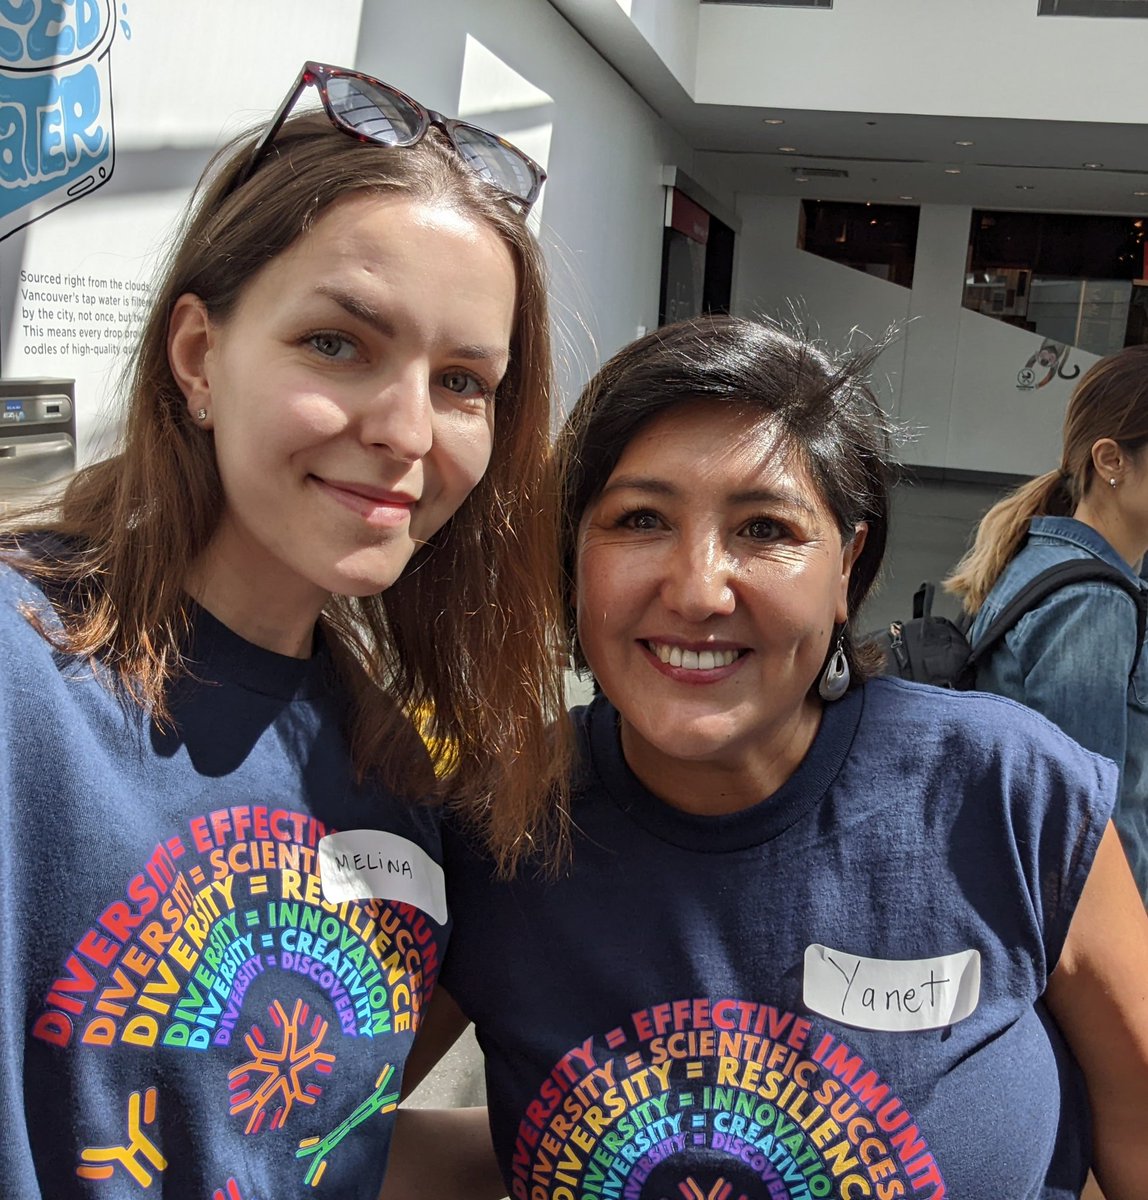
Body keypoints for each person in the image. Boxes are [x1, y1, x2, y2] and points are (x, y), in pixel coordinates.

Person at [0, 63, 570, 1199]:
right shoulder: (24, 675)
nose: (408, 430)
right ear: (200, 357)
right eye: (337, 345)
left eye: (462, 380)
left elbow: (301, 1145)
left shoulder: (401, 765)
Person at [415, 317, 1148, 1200]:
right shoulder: (498, 827)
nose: (695, 589)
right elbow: (309, 1130)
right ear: (573, 559)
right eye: (639, 519)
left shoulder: (1010, 793)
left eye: (764, 529)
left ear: (849, 564)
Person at [946, 345, 1148, 903]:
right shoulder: (1091, 603)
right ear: (1111, 461)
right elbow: (1084, 829)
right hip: (1086, 933)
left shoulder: (1041, 553)